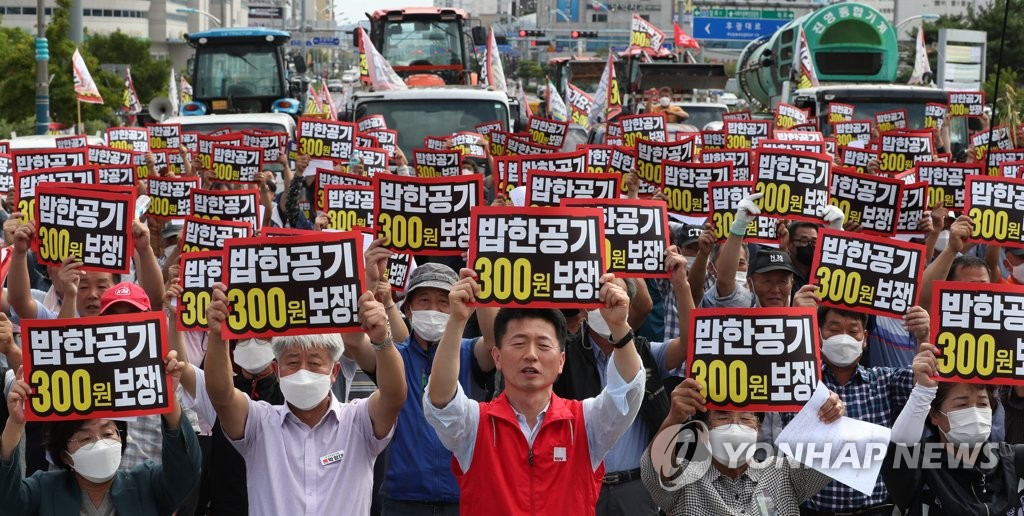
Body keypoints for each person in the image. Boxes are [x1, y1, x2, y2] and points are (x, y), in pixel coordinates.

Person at [424, 270, 645, 514]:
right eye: (518, 343)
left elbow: (626, 392)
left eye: (543, 344)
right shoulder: (475, 424)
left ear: (561, 360)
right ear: (497, 356)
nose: (531, 354)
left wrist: (619, 326)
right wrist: (456, 321)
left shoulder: (585, 422)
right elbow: (441, 402)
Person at [203, 283, 406, 515]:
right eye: (292, 362)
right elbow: (222, 396)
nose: (303, 371)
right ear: (276, 371)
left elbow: (394, 396)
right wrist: (218, 335)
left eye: (314, 363)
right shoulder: (259, 423)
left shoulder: (358, 421)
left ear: (334, 372)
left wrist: (383, 340)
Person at [343, 249, 497, 514]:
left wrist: (480, 283)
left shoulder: (470, 352)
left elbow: (496, 342)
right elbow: (355, 342)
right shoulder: (392, 356)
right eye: (424, 300)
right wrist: (368, 282)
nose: (433, 309)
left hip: (463, 494)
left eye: (443, 302)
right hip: (402, 496)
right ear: (409, 310)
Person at [553, 248, 690, 515]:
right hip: (579, 483)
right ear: (583, 305)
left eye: (615, 296)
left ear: (628, 303)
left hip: (637, 486)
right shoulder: (563, 356)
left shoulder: (646, 352)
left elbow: (689, 343)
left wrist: (680, 284)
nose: (606, 306)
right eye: (599, 297)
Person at [0, 350, 201, 515]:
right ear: (65, 455)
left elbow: (185, 472)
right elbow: (7, 500)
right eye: (86, 438)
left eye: (108, 434)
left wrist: (169, 401)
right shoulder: (44, 490)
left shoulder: (146, 484)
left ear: (121, 438)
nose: (99, 443)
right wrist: (15, 424)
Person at [641, 378, 844, 515]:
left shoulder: (784, 474)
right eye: (722, 416)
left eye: (747, 417)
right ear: (706, 428)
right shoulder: (685, 479)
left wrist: (830, 413)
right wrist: (675, 417)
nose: (735, 426)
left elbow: (837, 453)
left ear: (757, 429)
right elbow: (653, 469)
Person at [883, 344, 1024, 515]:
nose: (974, 412)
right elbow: (900, 446)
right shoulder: (919, 466)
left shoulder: (1014, 460)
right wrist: (923, 391)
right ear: (935, 415)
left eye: (982, 404)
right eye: (962, 404)